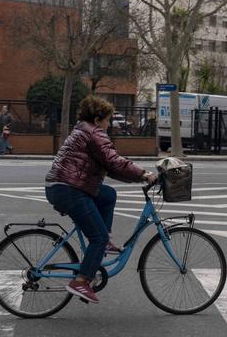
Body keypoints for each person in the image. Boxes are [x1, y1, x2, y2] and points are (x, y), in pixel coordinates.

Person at [44, 95, 157, 304]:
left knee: (108, 195)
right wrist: (143, 173)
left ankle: (103, 243)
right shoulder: (95, 133)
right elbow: (113, 160)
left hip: (62, 186)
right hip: (70, 189)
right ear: (97, 120)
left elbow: (110, 167)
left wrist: (138, 177)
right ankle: (81, 281)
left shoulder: (82, 130)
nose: (108, 124)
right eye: (107, 119)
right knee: (98, 238)